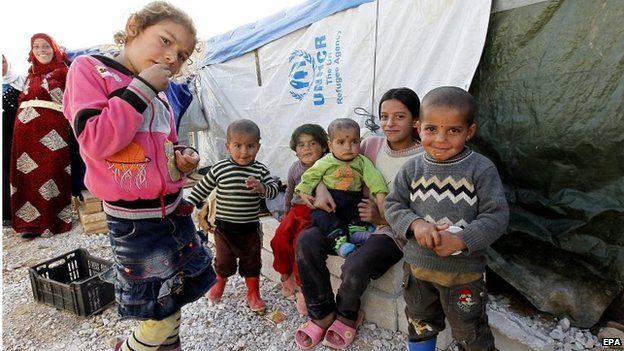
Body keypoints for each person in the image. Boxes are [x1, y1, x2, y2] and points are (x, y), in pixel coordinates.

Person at [62, 2, 216, 351]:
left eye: (181, 54)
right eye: (165, 40)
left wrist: (181, 158)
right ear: (134, 27)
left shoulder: (161, 95)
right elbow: (97, 139)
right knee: (156, 315)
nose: (172, 57)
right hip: (136, 223)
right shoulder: (91, 69)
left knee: (172, 300)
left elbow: (165, 146)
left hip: (172, 212)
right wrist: (142, 87)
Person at [294, 87, 423, 349]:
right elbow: (333, 165)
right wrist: (318, 189)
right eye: (384, 116)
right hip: (348, 221)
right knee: (307, 240)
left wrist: (382, 218)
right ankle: (321, 313)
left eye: (400, 116)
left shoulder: (422, 157)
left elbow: (421, 211)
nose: (389, 123)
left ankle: (347, 315)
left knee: (356, 262)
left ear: (415, 121)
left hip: (389, 232)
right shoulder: (371, 144)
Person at [385, 86, 509, 351]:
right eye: (431, 129)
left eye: (453, 130)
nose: (441, 138)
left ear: (470, 131)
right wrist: (416, 224)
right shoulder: (412, 168)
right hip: (418, 271)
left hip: (463, 276)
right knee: (420, 325)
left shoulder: (481, 169)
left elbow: (496, 215)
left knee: (471, 332)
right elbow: (393, 204)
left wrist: (461, 240)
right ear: (418, 128)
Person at [187, 118, 279, 314]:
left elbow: (273, 191)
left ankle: (253, 294)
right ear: (227, 146)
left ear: (258, 147)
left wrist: (262, 188)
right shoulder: (220, 168)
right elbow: (202, 188)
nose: (244, 152)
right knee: (224, 261)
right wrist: (187, 205)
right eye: (237, 146)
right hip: (225, 229)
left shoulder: (260, 170)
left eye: (250, 146)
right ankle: (218, 286)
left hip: (250, 229)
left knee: (252, 262)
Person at [295, 118, 388, 258]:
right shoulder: (325, 162)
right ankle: (340, 243)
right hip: (331, 201)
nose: (348, 147)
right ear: (330, 145)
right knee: (322, 217)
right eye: (341, 142)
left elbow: (374, 179)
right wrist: (303, 192)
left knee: (360, 209)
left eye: (354, 142)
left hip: (352, 198)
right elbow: (310, 176)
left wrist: (380, 195)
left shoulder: (362, 162)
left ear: (360, 142)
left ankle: (356, 232)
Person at [10, 33, 73, 239]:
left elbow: (73, 99)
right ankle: (29, 224)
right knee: (27, 178)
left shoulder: (64, 71)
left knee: (51, 174)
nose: (41, 50)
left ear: (54, 48)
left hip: (53, 133)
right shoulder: (30, 73)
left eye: (45, 46)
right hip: (24, 135)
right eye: (36, 47)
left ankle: (50, 222)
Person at [270, 123, 328, 315]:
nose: (307, 148)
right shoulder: (295, 168)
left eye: (313, 143)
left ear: (324, 147)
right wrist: (286, 211)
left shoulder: (327, 167)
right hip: (295, 210)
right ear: (295, 151)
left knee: (298, 245)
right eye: (302, 145)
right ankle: (285, 275)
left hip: (314, 214)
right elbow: (289, 191)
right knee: (279, 238)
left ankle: (304, 289)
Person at [2, 55, 25, 226]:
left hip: (17, 132)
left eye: (2, 60)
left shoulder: (20, 80)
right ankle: (7, 214)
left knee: (18, 169)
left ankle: (24, 211)